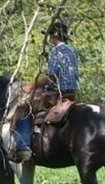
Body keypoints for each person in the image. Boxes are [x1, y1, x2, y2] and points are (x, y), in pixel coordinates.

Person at [11, 19, 79, 162]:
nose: (49, 39)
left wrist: (31, 86)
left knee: (24, 109)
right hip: (71, 93)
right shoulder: (72, 51)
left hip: (56, 94)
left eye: (49, 35)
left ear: (54, 36)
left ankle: (23, 148)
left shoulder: (56, 51)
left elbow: (51, 77)